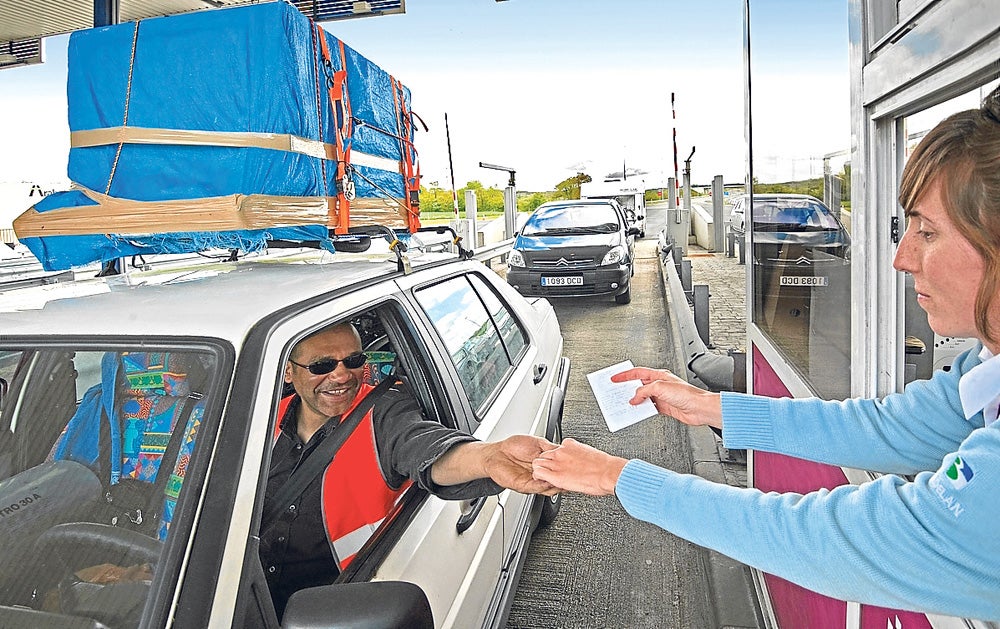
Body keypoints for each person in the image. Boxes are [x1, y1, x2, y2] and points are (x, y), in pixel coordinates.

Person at [532, 87, 1000, 622]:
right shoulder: (984, 370)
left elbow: (834, 538)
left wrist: (619, 477)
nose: (902, 257)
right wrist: (708, 406)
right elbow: (885, 427)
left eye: (929, 232)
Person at [261, 321, 556, 617]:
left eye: (353, 360)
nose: (341, 375)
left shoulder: (385, 413)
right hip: (249, 594)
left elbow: (421, 445)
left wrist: (488, 458)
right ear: (288, 372)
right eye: (322, 365)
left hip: (341, 603)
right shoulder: (261, 419)